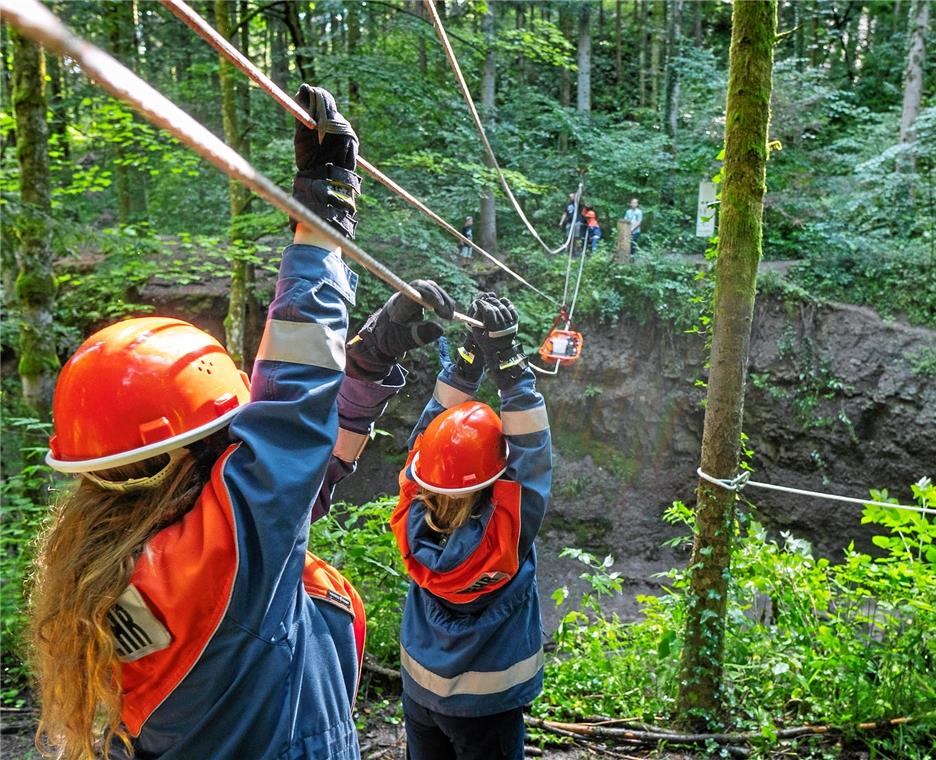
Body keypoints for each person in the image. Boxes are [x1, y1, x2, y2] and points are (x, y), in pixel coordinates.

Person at [28, 85, 455, 760]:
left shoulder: (123, 566)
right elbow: (288, 418)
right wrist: (323, 220)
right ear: (198, 448)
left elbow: (299, 483)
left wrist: (364, 371)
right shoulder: (213, 562)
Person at [390, 293, 552, 760]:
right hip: (487, 708)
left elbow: (431, 440)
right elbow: (532, 458)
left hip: (420, 690)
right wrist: (509, 365)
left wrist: (466, 363)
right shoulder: (502, 541)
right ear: (494, 482)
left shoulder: (407, 516)